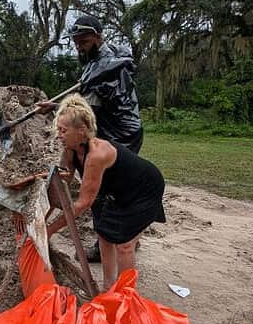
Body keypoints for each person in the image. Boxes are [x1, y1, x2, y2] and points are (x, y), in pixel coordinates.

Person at [39, 14, 143, 261]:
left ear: (98, 37)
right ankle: (125, 236)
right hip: (108, 129)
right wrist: (54, 104)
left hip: (122, 133)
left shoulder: (107, 67)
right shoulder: (94, 63)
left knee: (102, 190)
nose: (79, 46)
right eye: (76, 42)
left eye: (83, 41)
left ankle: (108, 243)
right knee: (110, 189)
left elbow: (85, 111)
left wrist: (54, 108)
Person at [47, 94, 164, 289]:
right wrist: (45, 179)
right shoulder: (70, 148)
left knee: (124, 245)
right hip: (118, 189)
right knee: (104, 234)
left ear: (82, 130)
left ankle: (126, 296)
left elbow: (84, 202)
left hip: (144, 188)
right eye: (58, 129)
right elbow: (65, 177)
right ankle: (109, 287)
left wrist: (49, 229)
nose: (58, 135)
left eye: (63, 130)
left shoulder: (97, 155)